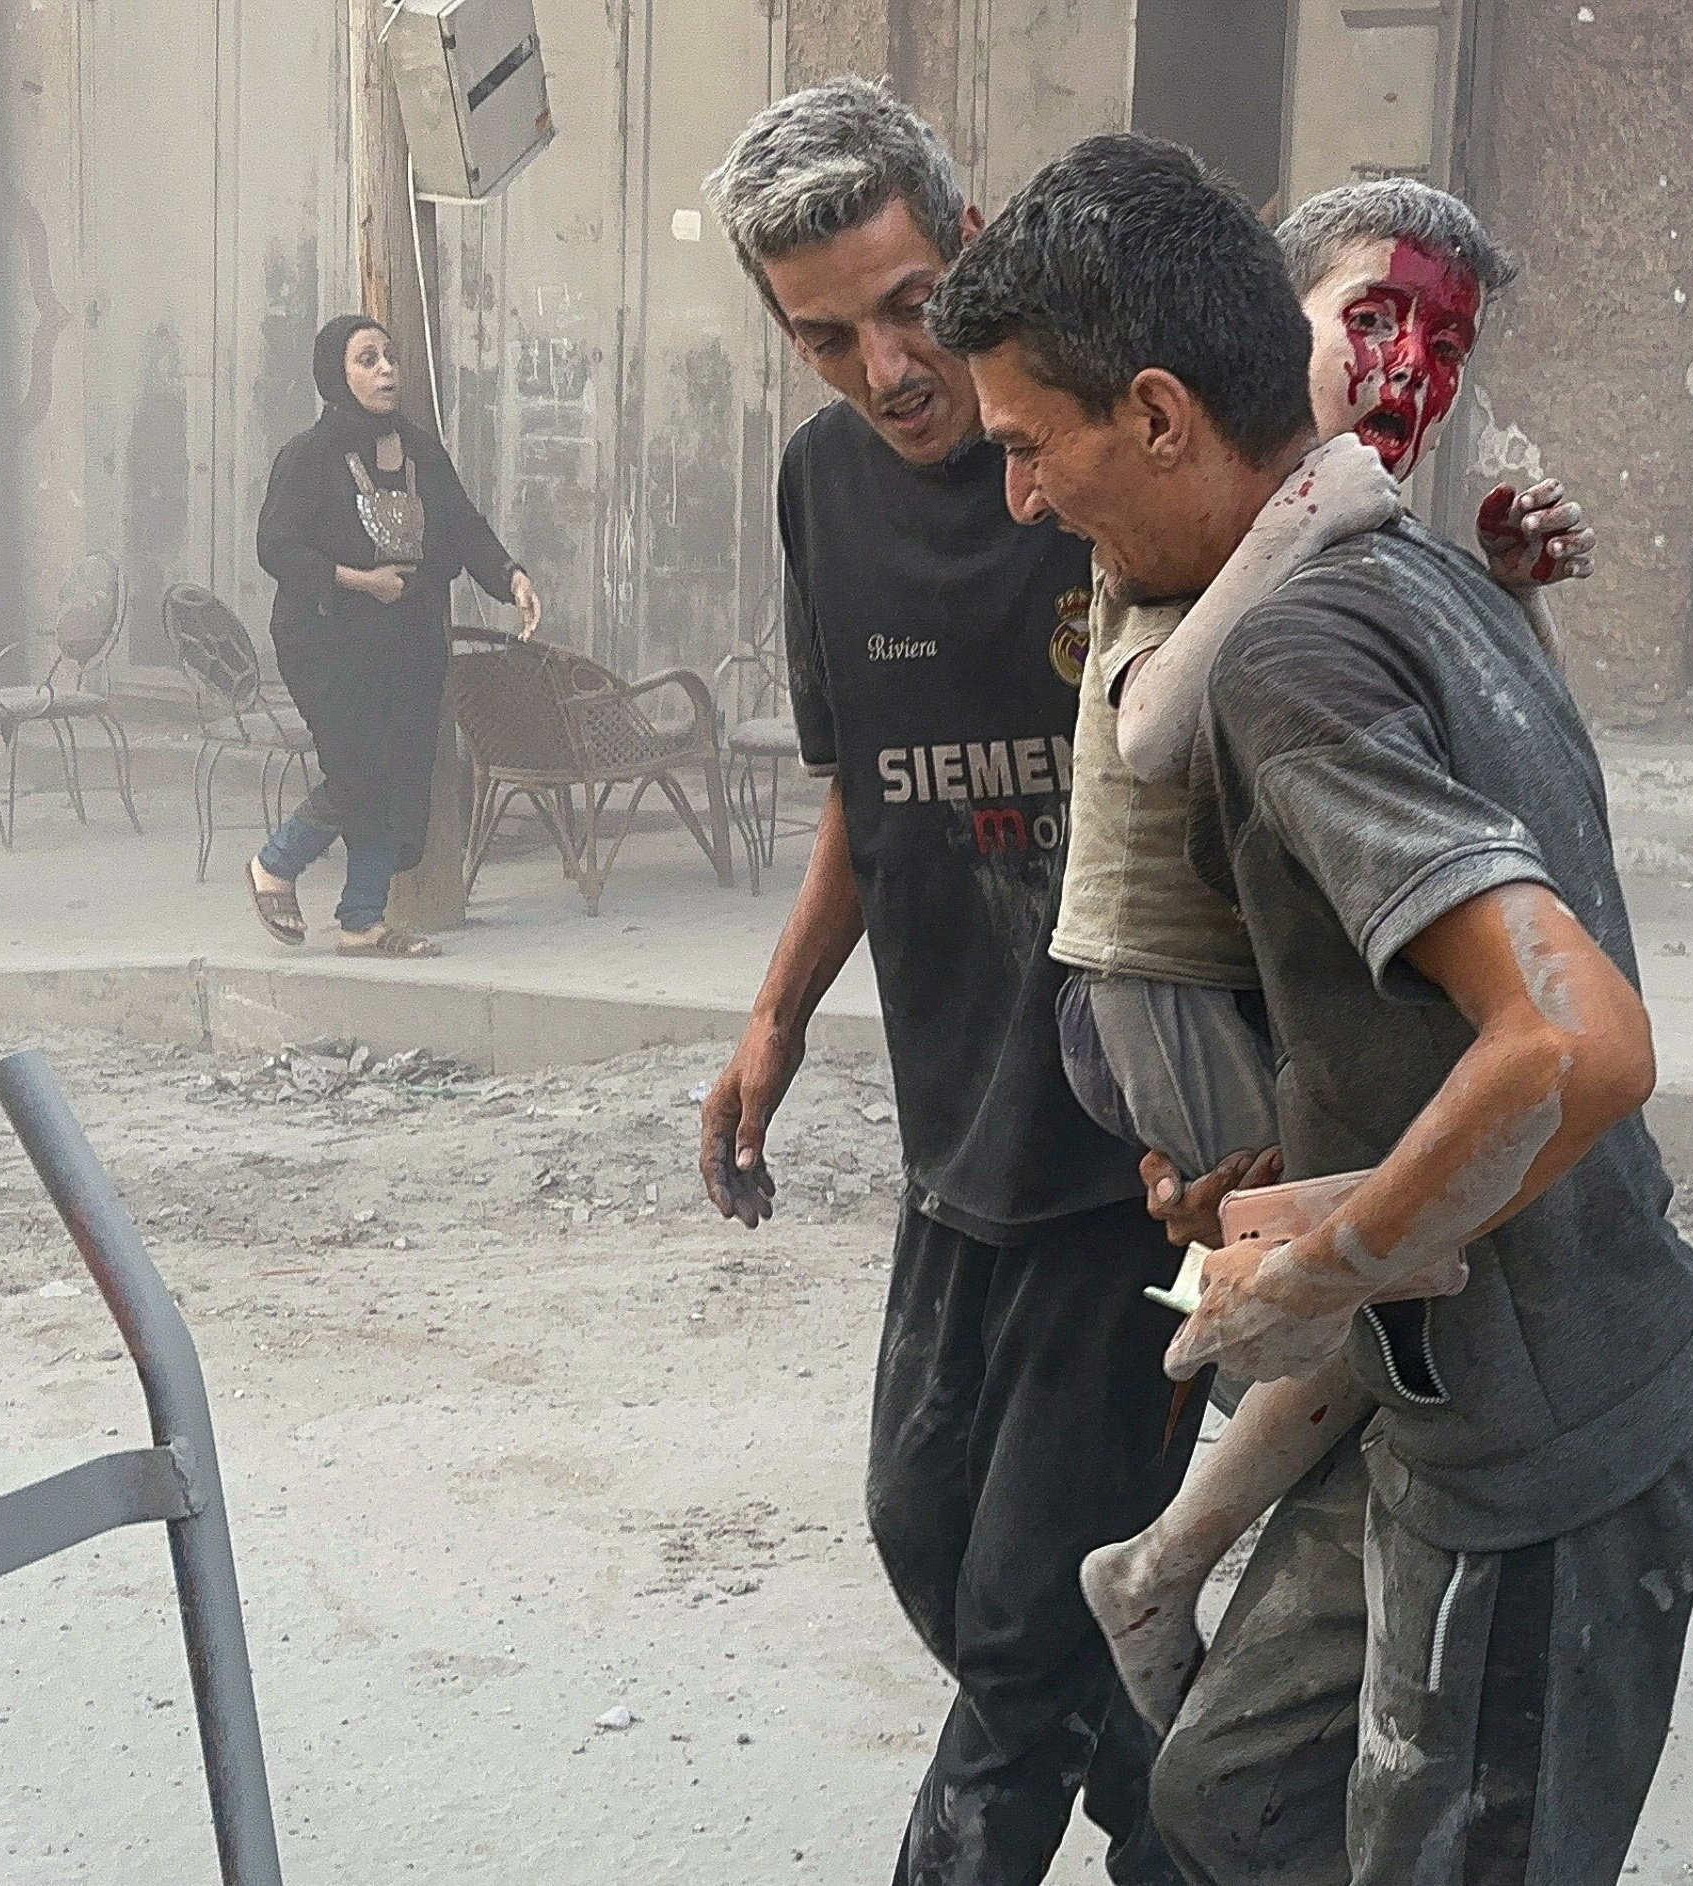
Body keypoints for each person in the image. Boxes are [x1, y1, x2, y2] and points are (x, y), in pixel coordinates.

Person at [933, 132, 1693, 1886]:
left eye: (1026, 448)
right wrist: (1298, 1178)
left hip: (1547, 1443)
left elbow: (1577, 1043)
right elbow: (1450, 1009)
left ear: (1156, 412)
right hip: (1438, 1398)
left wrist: (1327, 1252)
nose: (1020, 499)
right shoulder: (1410, 572)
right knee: (1220, 1804)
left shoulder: (1289, 655)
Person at [694, 79, 1198, 1886]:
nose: (887, 367)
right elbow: (866, 780)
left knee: (1011, 1631)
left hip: (1142, 1142)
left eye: (910, 305)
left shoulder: (1101, 449)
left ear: (970, 245)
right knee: (926, 1526)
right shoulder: (823, 484)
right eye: (824, 334)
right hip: (959, 1113)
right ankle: (1190, 1818)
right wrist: (776, 1013)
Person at [1054, 178, 1595, 1733]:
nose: (1406, 369)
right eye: (1371, 319)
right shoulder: (1205, 489)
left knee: (1399, 1265)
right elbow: (1150, 727)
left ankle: (1186, 1582)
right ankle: (1167, 1575)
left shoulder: (1345, 515)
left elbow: (1513, 776)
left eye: (1444, 339)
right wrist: (1315, 515)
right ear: (1264, 322)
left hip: (1273, 984)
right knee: (1388, 1277)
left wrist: (1509, 601)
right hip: (1167, 982)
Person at [247, 315, 540, 956]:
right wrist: (360, 580)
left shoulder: (419, 449)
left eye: (391, 356)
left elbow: (461, 524)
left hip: (406, 639)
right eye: (367, 359)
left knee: (401, 772)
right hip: (326, 641)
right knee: (357, 770)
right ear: (336, 374)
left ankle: (363, 920)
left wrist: (510, 577)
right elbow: (276, 547)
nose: (386, 370)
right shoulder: (307, 456)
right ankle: (276, 864)